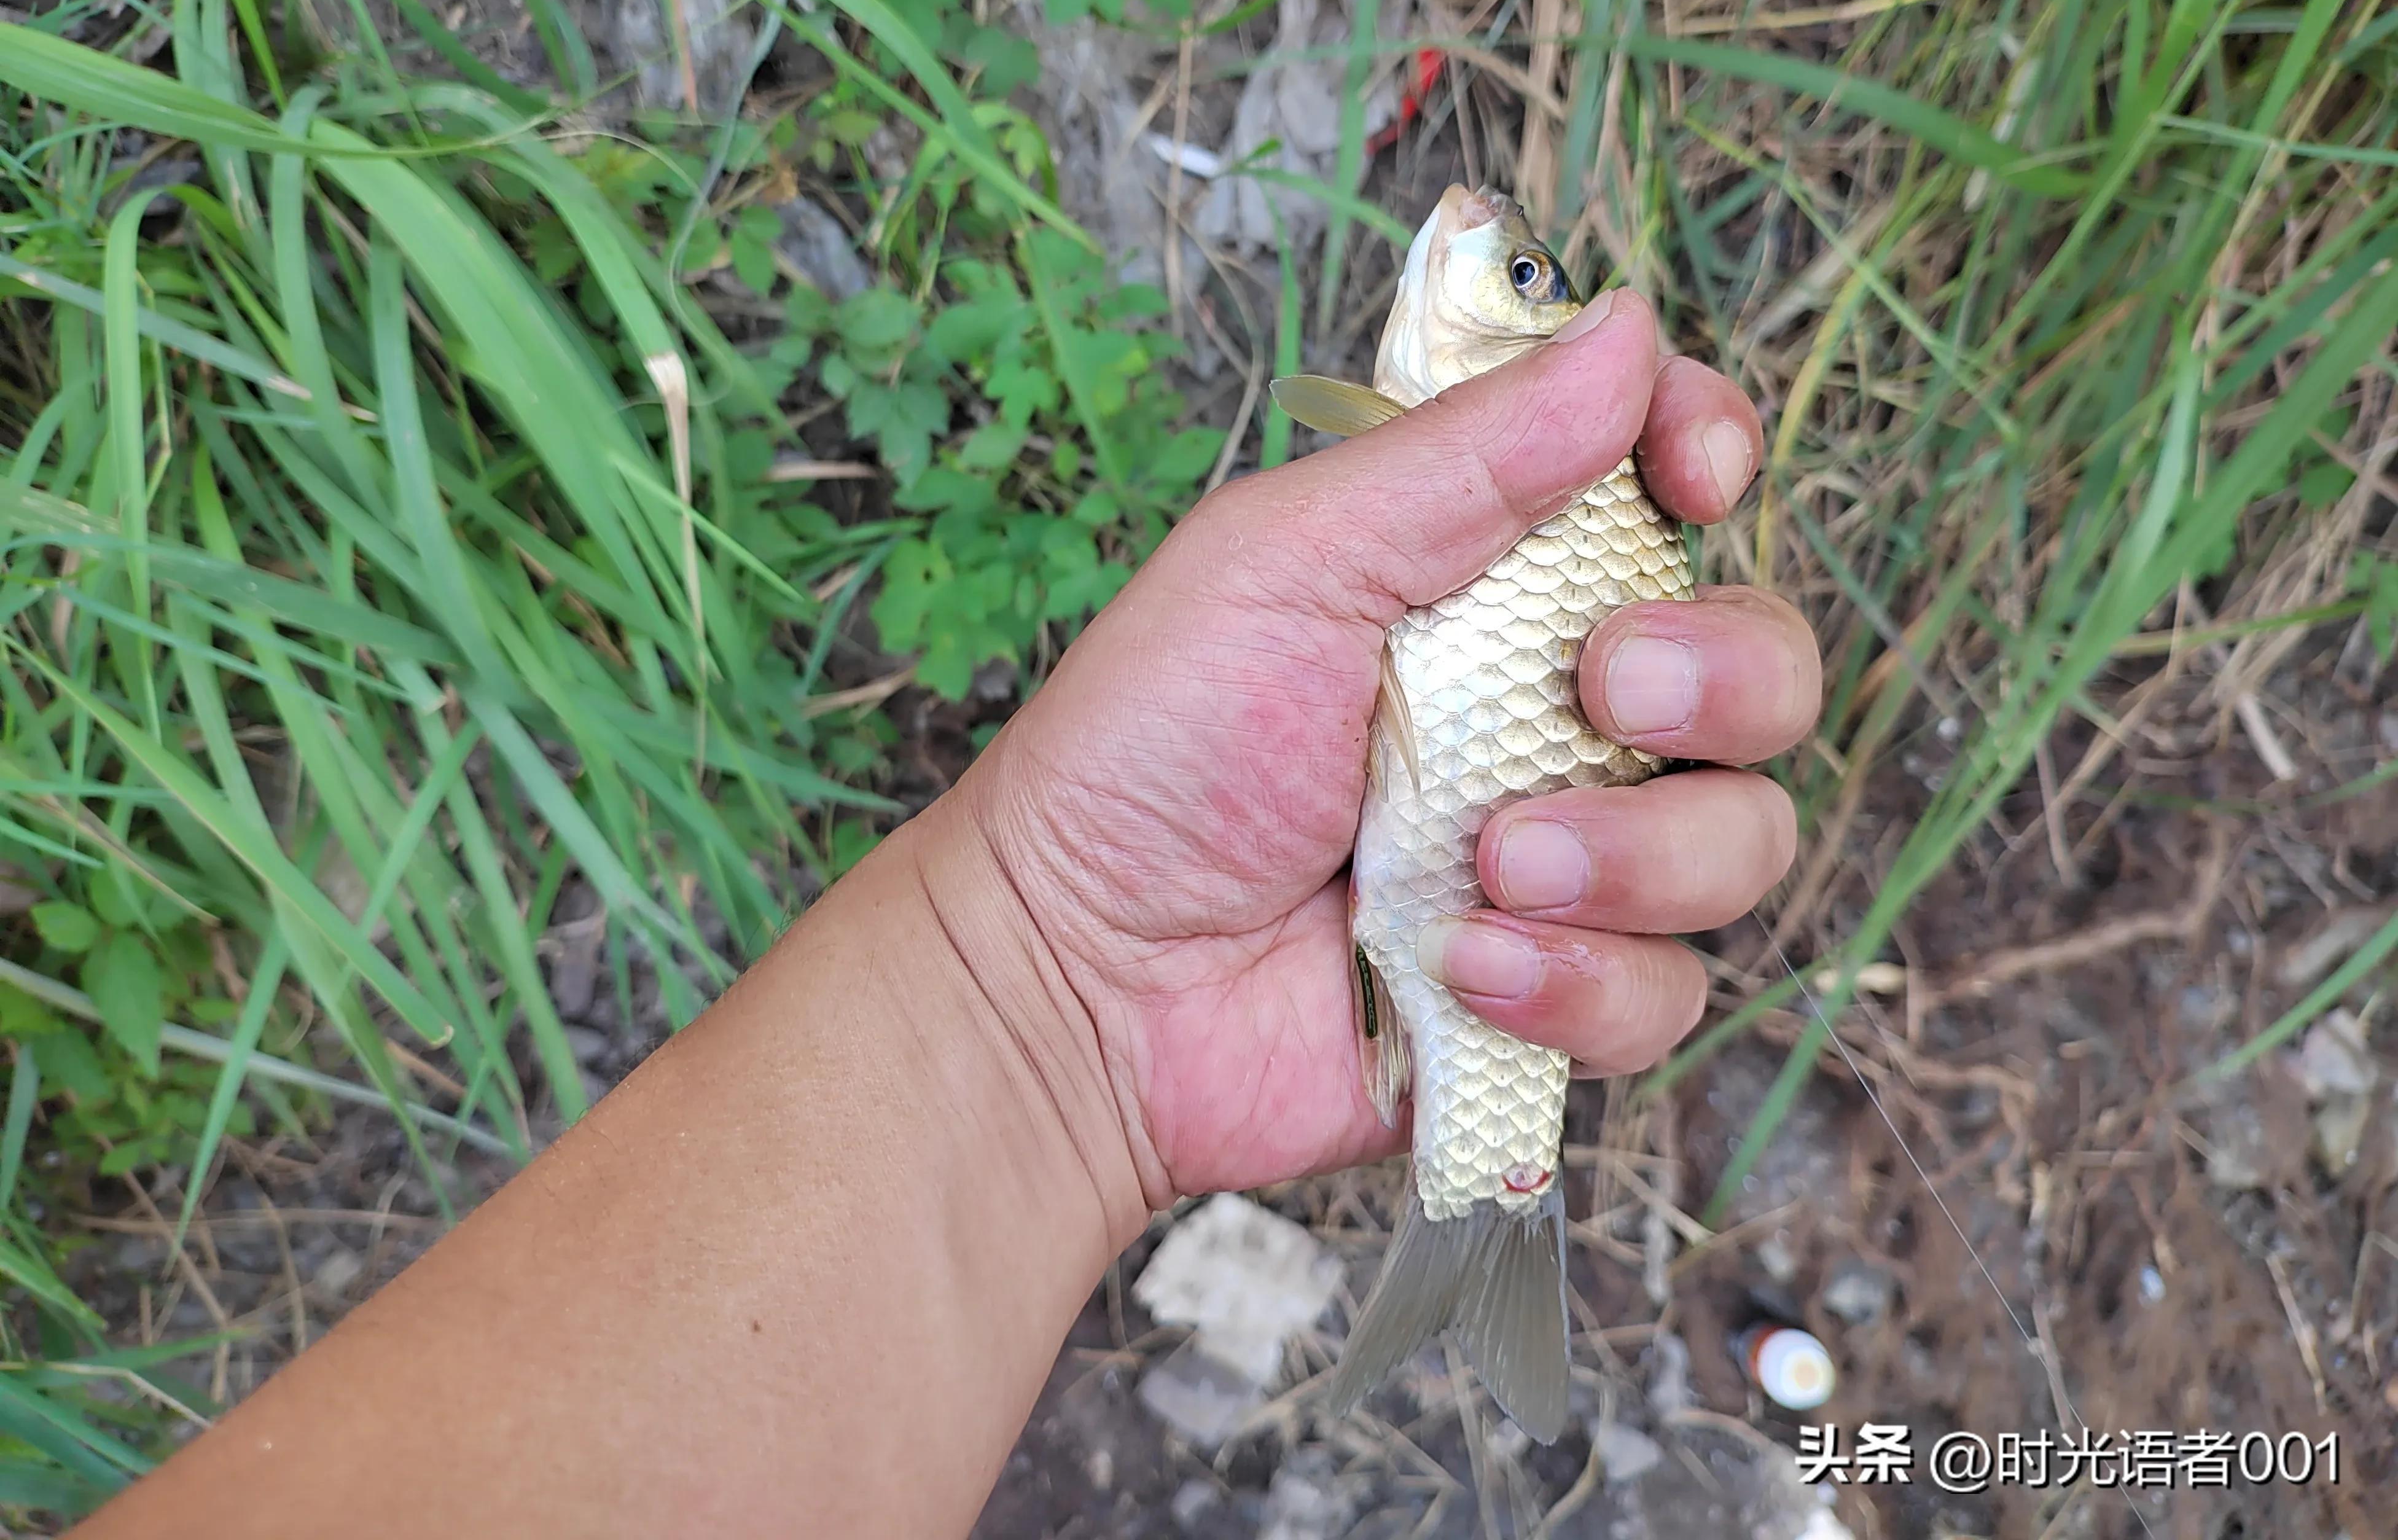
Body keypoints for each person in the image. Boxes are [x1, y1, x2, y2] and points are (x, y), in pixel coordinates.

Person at [75, 290, 1818, 1538]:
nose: (1488, 269)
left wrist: (1058, 987)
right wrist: (1055, 973)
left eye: (1520, 283)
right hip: (1363, 920)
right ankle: (1484, 1234)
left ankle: (1483, 1221)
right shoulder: (1511, 475)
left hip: (1369, 938)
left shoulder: (1537, 488)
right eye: (1533, 287)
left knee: (1582, 828)